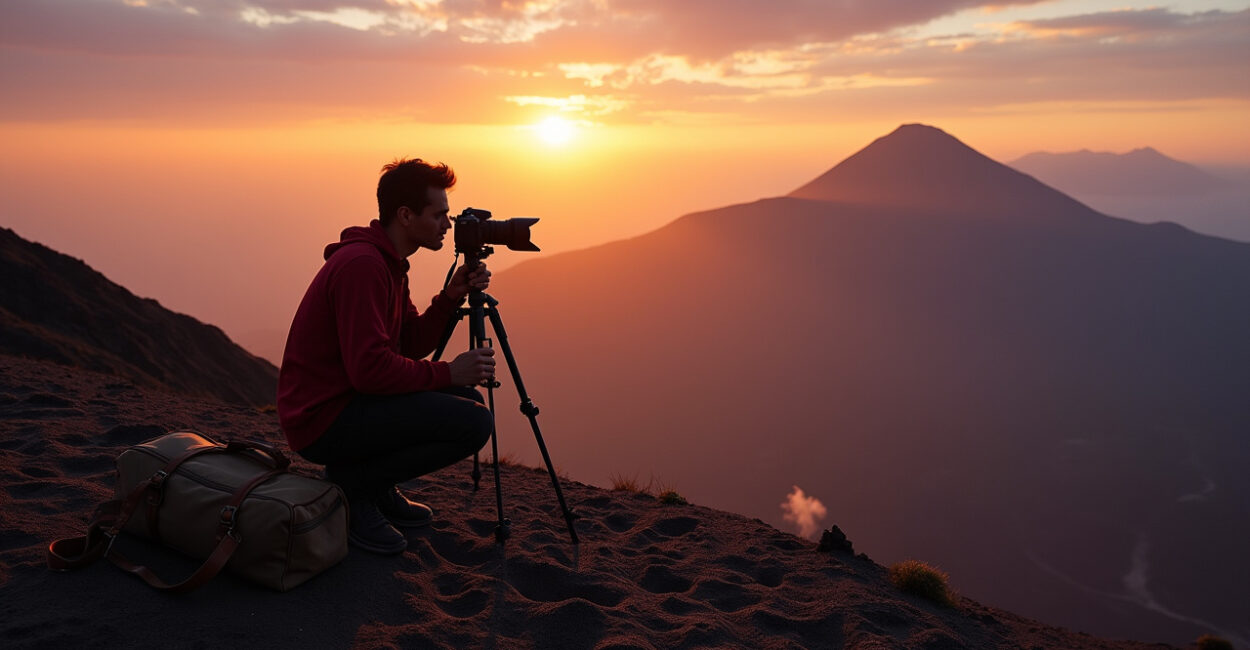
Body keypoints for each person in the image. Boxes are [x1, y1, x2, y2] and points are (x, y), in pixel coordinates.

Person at [277, 158, 496, 555]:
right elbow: (371, 372)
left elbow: (407, 343)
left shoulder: (389, 263)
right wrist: (448, 372)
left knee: (471, 404)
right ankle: (353, 490)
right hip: (323, 418)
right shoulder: (363, 266)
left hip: (348, 400)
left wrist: (450, 298)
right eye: (440, 214)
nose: (449, 225)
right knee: (474, 422)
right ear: (406, 215)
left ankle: (372, 484)